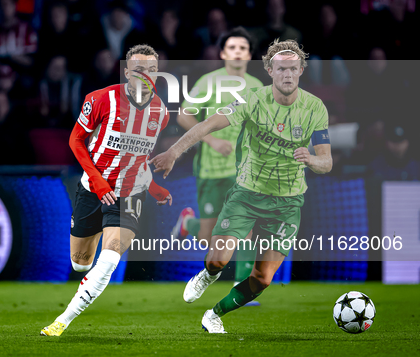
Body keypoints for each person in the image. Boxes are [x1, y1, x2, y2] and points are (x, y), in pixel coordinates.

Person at [150, 39, 332, 333]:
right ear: (270, 70)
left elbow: (327, 162)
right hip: (247, 194)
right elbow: (206, 124)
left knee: (263, 279)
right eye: (281, 68)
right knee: (218, 260)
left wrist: (312, 159)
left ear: (301, 70)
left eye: (293, 69)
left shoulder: (315, 108)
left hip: (288, 203)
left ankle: (214, 313)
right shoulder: (251, 98)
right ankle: (206, 275)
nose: (287, 74)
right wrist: (174, 151)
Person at [41, 44, 172, 336]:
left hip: (128, 193)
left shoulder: (160, 112)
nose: (146, 75)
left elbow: (139, 159)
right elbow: (76, 141)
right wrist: (98, 182)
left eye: (152, 69)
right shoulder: (101, 99)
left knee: (111, 254)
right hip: (92, 187)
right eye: (139, 69)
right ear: (127, 73)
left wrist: (152, 187)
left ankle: (62, 321)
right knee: (80, 264)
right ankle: (91, 244)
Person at [170, 27, 263, 299]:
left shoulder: (258, 87)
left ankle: (243, 288)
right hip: (211, 169)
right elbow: (184, 116)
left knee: (246, 229)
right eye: (232, 47)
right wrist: (211, 141)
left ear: (249, 54)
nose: (237, 52)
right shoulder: (209, 82)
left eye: (242, 48)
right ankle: (190, 224)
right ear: (223, 53)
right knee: (209, 238)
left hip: (245, 171)